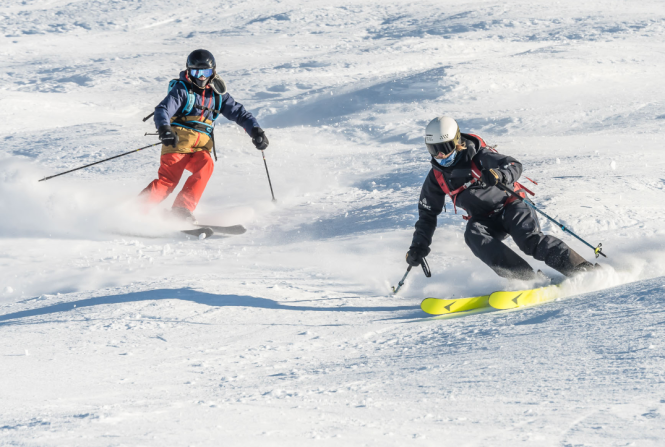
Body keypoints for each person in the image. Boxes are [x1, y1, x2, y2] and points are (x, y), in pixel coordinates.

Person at [406, 116, 595, 281]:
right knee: (474, 235)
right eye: (434, 149)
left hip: (511, 205)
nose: (440, 155)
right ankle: (526, 279)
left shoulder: (479, 155)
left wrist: (499, 175)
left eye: (444, 147)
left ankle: (582, 270)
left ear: (456, 141)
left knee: (529, 241)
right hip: (484, 218)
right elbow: (427, 215)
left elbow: (514, 165)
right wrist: (418, 247)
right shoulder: (437, 177)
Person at [140, 49, 269, 222]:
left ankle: (181, 209)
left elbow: (240, 113)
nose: (201, 77)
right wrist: (165, 129)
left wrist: (256, 131)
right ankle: (135, 210)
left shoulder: (218, 94)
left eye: (206, 72)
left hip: (201, 146)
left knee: (205, 165)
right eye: (196, 72)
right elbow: (163, 109)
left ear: (213, 72)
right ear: (189, 71)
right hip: (178, 143)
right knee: (168, 181)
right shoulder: (182, 90)